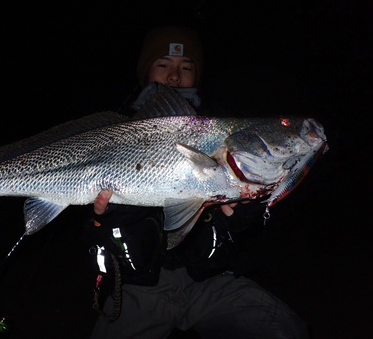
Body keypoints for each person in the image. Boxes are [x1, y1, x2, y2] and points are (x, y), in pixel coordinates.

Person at [86, 25, 309, 338]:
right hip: (138, 290)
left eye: (186, 67)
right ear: (145, 71)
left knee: (283, 329)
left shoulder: (219, 132)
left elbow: (236, 223)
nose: (174, 76)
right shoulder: (110, 131)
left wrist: (241, 216)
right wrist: (107, 215)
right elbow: (92, 230)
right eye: (163, 64)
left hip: (205, 283)